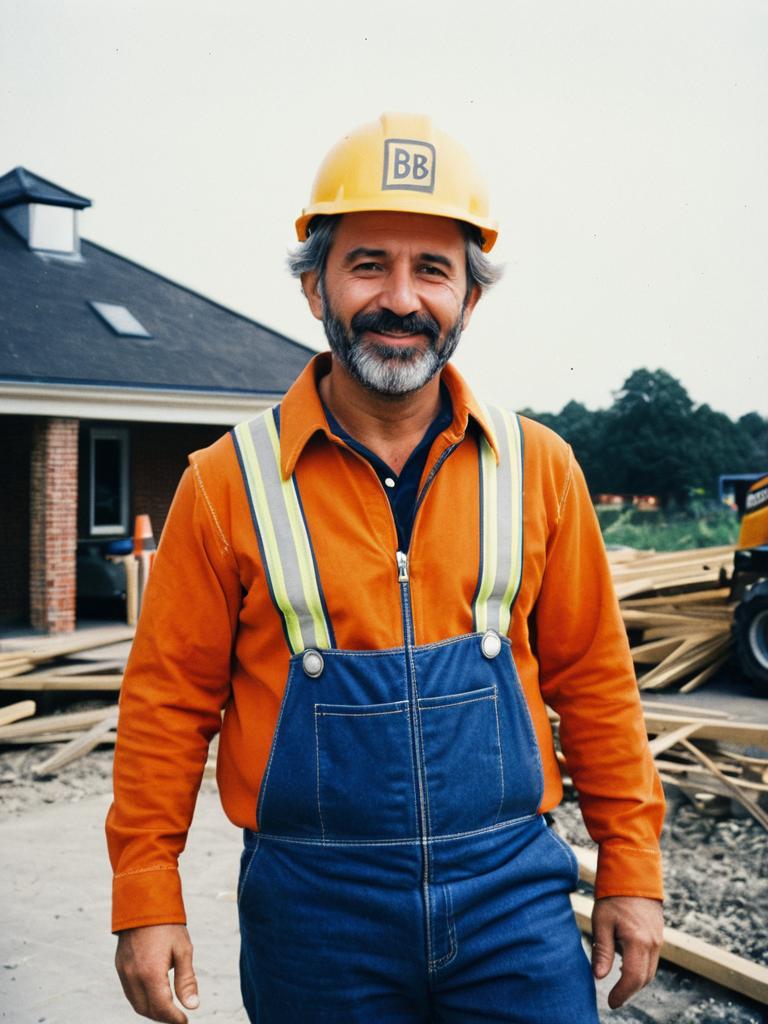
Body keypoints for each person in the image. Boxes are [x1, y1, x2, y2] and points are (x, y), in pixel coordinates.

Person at [107, 112, 665, 1024]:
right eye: (368, 263)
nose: (399, 298)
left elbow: (597, 686)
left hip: (512, 903)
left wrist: (632, 870)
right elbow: (167, 704)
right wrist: (145, 892)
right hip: (314, 915)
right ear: (315, 285)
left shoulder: (541, 471)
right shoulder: (224, 484)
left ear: (468, 299)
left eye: (432, 269)